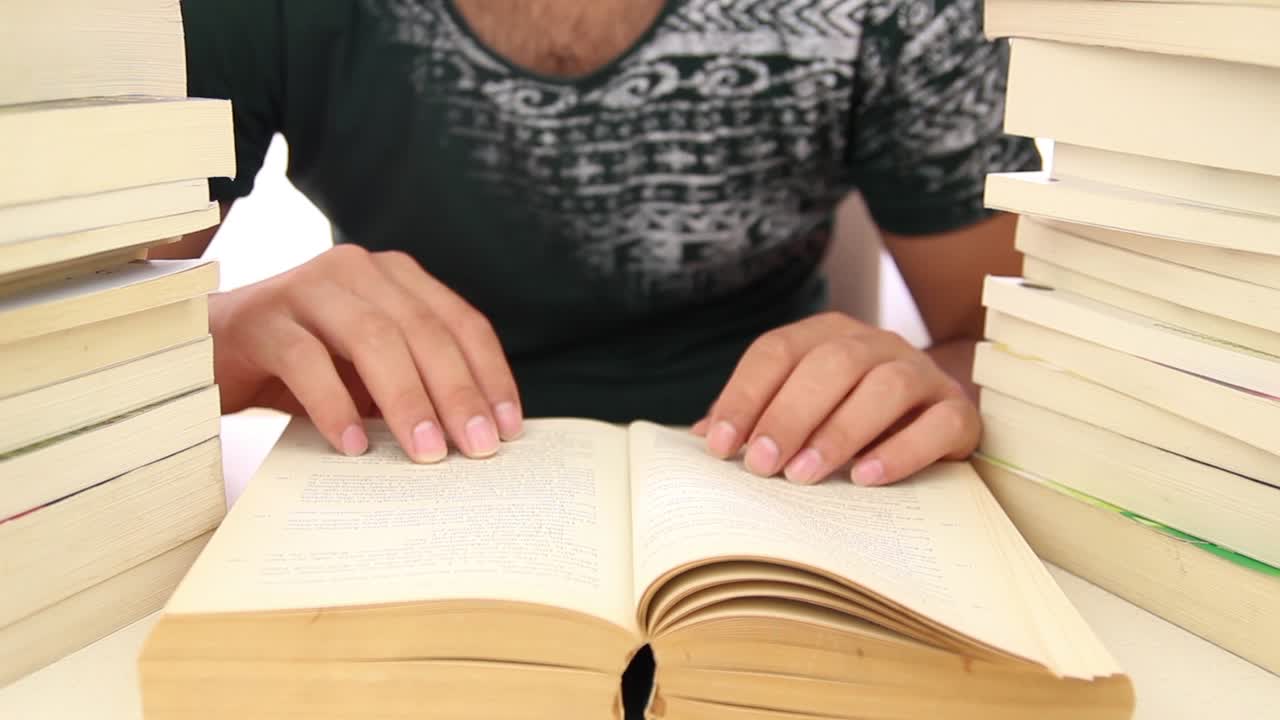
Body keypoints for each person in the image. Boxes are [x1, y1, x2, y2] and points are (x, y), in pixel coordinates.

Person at [160, 0, 1039, 488]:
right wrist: (230, 337)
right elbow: (53, 345)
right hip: (406, 486)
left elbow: (1010, 342)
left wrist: (915, 384)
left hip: (780, 494)